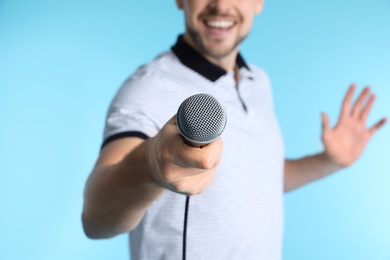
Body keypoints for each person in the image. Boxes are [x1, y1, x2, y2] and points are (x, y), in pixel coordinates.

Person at [82, 0, 387, 259]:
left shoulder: (258, 81)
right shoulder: (148, 88)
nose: (221, 5)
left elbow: (256, 179)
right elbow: (95, 217)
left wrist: (328, 162)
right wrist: (151, 166)